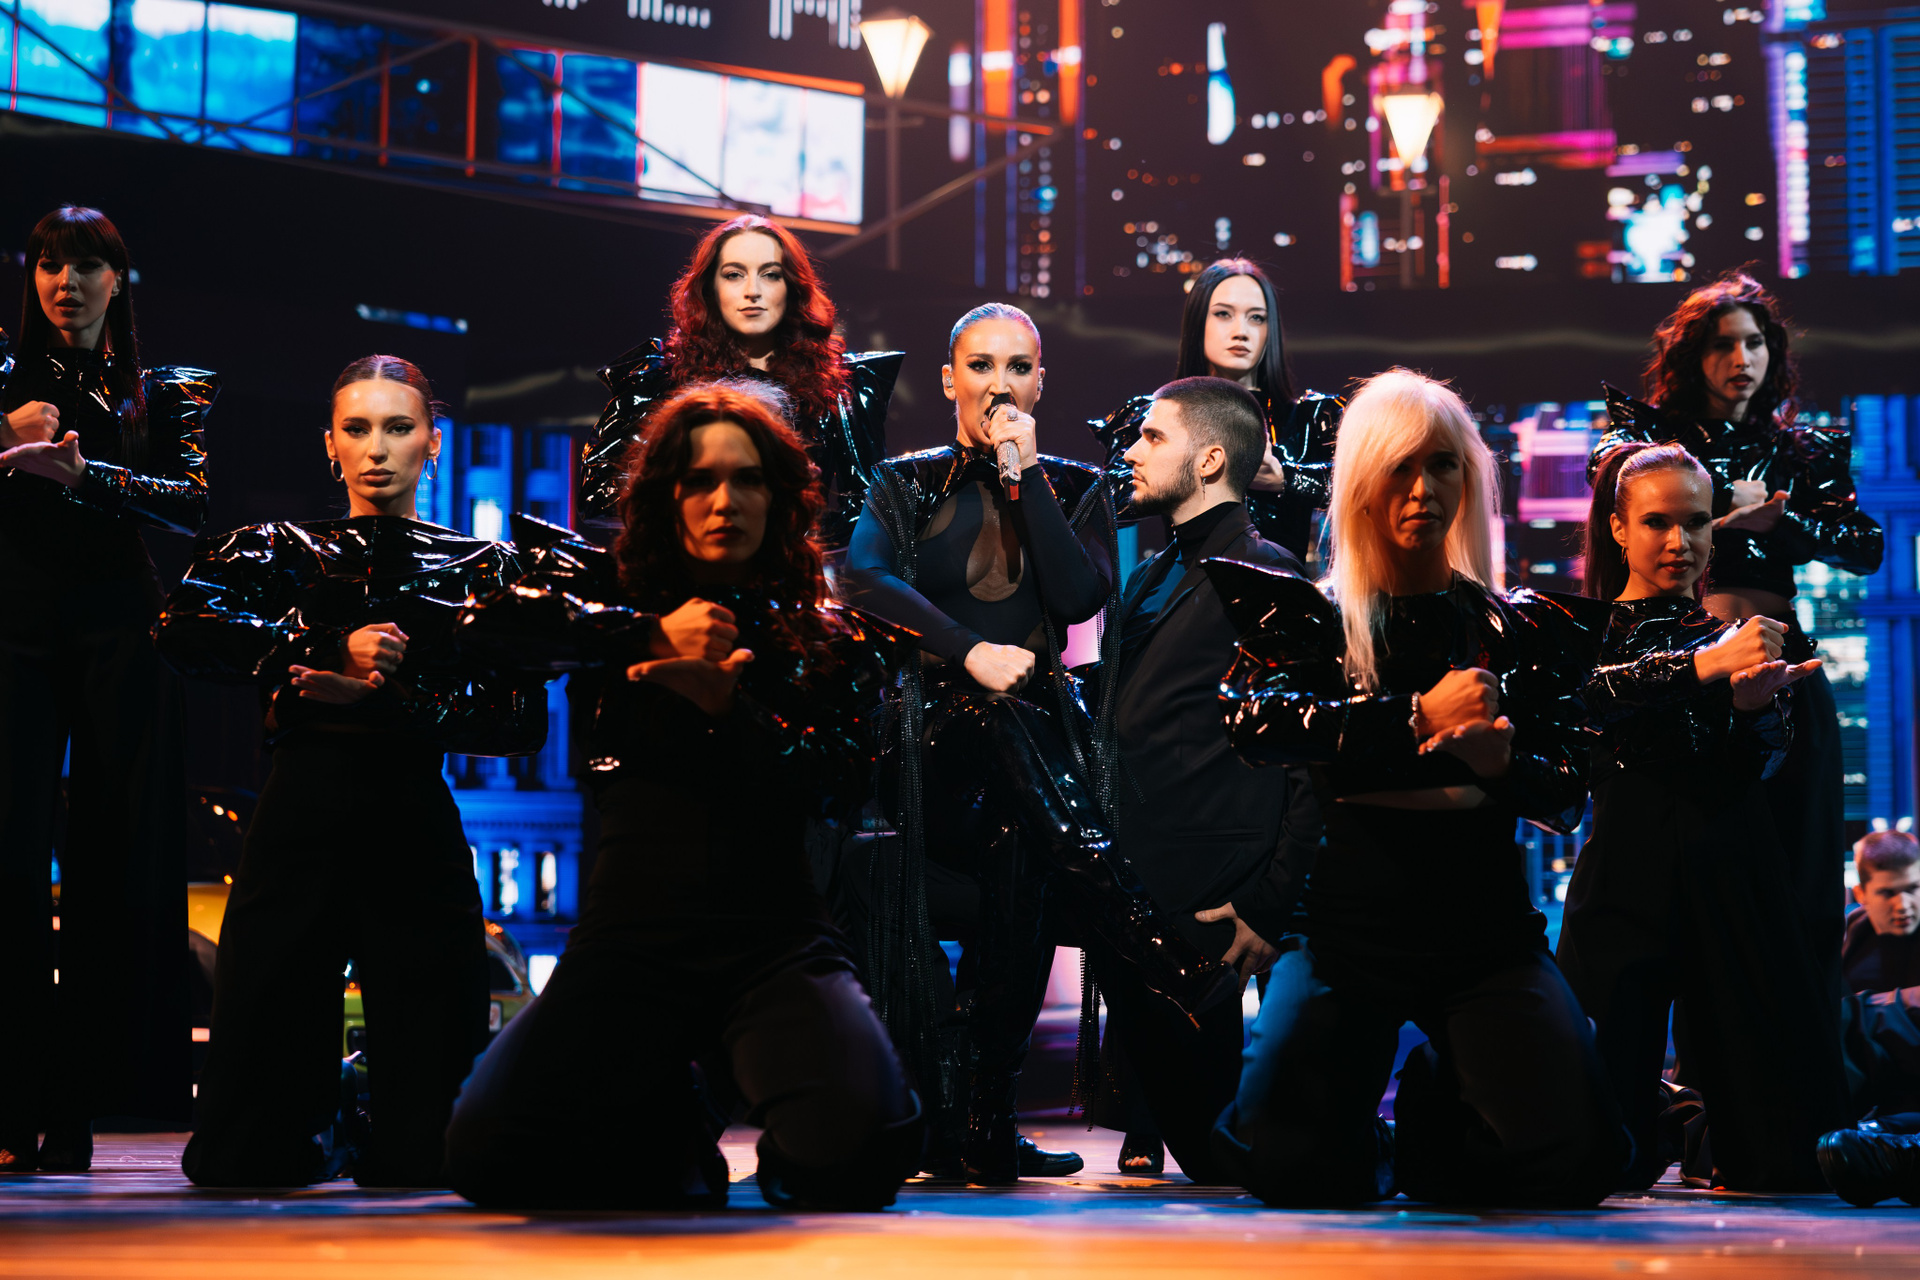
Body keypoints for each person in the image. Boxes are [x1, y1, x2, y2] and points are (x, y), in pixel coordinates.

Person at [444, 383, 922, 1211]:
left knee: (857, 1158)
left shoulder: (823, 633)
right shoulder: (611, 600)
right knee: (489, 1155)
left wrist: (733, 713)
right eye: (699, 480)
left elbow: (842, 785)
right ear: (667, 495)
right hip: (627, 944)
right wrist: (648, 636)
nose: (723, 501)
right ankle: (673, 1124)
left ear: (778, 495)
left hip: (774, 943)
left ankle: (746, 1128)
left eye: (747, 479)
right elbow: (479, 626)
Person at [1205, 368, 1625, 1207]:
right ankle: (1378, 1129)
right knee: (1288, 1166)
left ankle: (1441, 1099)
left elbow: (1569, 795)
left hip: (1485, 929)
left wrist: (1502, 766)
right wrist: (1416, 717)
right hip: (1344, 929)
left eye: (1441, 465)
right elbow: (1254, 724)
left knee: (1573, 1159)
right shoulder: (1315, 622)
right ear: (1362, 481)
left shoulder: (1516, 627)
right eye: (1399, 467)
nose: (1422, 489)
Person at [844, 303, 1234, 1185]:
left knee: (1018, 853)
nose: (1000, 385)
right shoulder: (904, 482)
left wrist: (1024, 480)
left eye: (1019, 368)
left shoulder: (1072, 485)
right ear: (950, 379)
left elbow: (1077, 596)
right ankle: (1137, 930)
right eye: (982, 366)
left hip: (1033, 773)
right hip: (928, 749)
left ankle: (979, 1124)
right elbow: (863, 578)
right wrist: (967, 650)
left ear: (1041, 383)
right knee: (996, 716)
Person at [156, 355, 546, 1188]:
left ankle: (367, 1126)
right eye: (358, 429)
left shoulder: (481, 566)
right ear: (329, 444)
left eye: (398, 428)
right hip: (301, 810)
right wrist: (326, 648)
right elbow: (182, 630)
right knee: (245, 1149)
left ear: (432, 443)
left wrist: (390, 692)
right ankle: (321, 1123)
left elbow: (518, 721)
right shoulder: (279, 551)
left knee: (430, 1146)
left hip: (412, 817)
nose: (377, 448)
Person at [1591, 271, 1884, 1030]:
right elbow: (1612, 491)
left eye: (1755, 343)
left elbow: (1865, 545)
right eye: (1723, 345)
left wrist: (1783, 524)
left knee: (1807, 858)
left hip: (1785, 660)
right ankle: (1699, 1062)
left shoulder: (1800, 449)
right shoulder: (1653, 442)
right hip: (1691, 665)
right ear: (1693, 357)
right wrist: (1721, 509)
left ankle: (1808, 1055)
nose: (1742, 359)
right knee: (1702, 862)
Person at [1554, 442, 1844, 1192]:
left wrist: (1753, 710)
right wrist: (1701, 666)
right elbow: (1586, 698)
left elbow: (1762, 763)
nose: (1679, 542)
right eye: (1658, 522)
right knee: (1582, 1140)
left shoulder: (1741, 635)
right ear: (1618, 527)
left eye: (1697, 522)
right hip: (1628, 860)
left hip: (1732, 858)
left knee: (1784, 1149)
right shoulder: (1581, 630)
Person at [0, 205, 216, 1171]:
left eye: (86, 264)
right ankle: (11, 1103)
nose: (66, 281)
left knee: (111, 865)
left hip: (120, 630)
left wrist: (88, 477)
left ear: (116, 280)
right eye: (49, 263)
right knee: (9, 859)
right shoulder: (2, 374)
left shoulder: (163, 390)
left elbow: (191, 504)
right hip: (13, 625)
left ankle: (82, 1106)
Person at [1087, 375, 1321, 1181]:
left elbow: (1309, 756)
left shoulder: (1268, 573)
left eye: (1153, 437)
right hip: (1137, 893)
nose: (1132, 451)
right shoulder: (1150, 575)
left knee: (1227, 1154)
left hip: (1209, 902)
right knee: (1208, 1146)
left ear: (1211, 459)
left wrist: (1270, 901)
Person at [580, 213, 900, 552]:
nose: (752, 291)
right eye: (734, 275)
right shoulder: (658, 378)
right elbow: (599, 496)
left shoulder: (841, 385)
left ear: (793, 287)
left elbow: (866, 509)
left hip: (789, 573)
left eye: (770, 275)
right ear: (710, 288)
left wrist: (781, 542)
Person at [1088, 257, 1340, 560]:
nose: (1241, 331)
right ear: (1198, 323)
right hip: (1190, 584)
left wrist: (1284, 478)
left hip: (1282, 585)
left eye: (1256, 318)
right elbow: (1106, 504)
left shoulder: (1310, 420)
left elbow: (1364, 489)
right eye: (1223, 314)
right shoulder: (1154, 418)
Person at [1845, 832, 1920, 994]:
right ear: (1860, 894)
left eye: (1913, 888)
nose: (1902, 905)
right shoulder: (1856, 924)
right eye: (1887, 893)